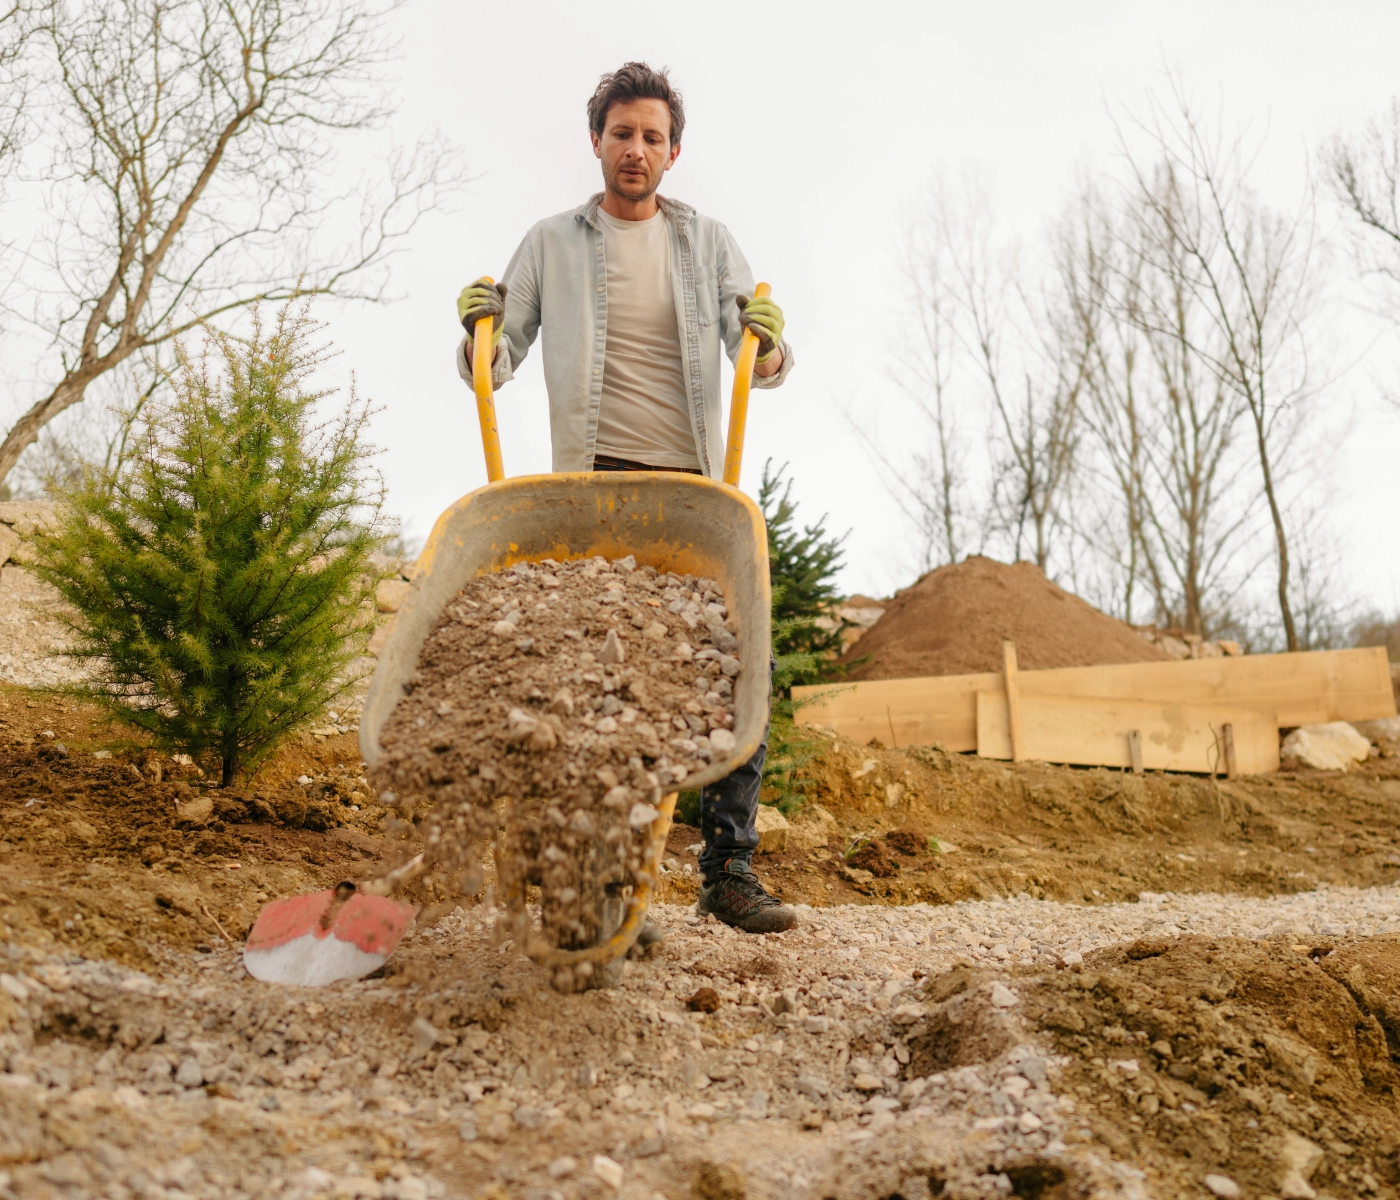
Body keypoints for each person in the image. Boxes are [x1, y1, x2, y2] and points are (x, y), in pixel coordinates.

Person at [454, 62, 797, 935]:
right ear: (597, 142)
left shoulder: (709, 244)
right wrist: (475, 333)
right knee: (608, 686)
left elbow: (754, 358)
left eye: (651, 136)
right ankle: (609, 886)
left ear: (673, 151)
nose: (634, 149)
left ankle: (727, 871)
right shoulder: (551, 243)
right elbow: (496, 365)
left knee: (732, 667)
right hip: (595, 490)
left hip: (692, 494)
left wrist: (771, 347)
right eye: (620, 133)